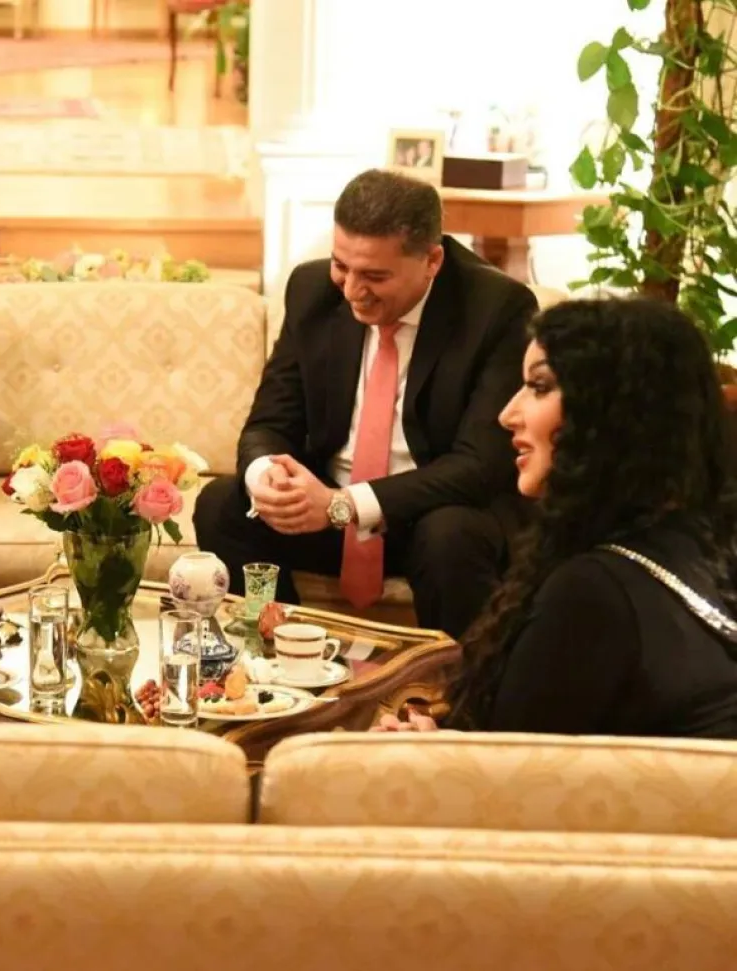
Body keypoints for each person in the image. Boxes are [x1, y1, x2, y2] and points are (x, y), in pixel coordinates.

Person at [194, 168, 537, 637]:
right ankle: (276, 656)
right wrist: (268, 479)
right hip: (327, 512)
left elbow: (479, 466)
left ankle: (456, 680)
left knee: (451, 536)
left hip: (431, 513)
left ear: (432, 260)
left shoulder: (496, 308)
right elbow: (269, 423)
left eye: (375, 275)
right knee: (221, 505)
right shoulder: (312, 290)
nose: (352, 290)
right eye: (342, 266)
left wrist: (344, 505)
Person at [377, 298, 737, 738]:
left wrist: (425, 755)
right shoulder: (702, 547)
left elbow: (507, 776)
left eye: (539, 386)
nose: (507, 415)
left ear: (611, 411)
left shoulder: (592, 593)